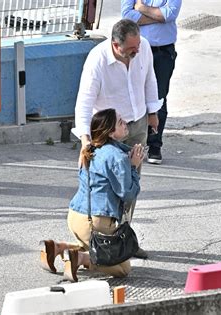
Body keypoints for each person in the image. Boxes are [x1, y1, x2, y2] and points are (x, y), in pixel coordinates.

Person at [72, 19, 159, 258]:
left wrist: (153, 113)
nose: (137, 51)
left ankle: (125, 239)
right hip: (110, 133)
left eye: (138, 46)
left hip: (138, 123)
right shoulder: (97, 60)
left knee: (131, 186)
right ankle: (98, 238)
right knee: (106, 188)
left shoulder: (144, 48)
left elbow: (150, 80)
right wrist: (85, 140)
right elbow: (84, 101)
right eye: (131, 49)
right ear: (115, 45)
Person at [40, 108, 144, 282]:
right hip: (95, 221)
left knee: (91, 244)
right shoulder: (117, 157)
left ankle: (57, 247)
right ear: (110, 132)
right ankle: (79, 258)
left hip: (75, 216)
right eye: (120, 122)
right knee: (123, 267)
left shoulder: (90, 148)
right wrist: (133, 166)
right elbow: (127, 194)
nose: (125, 122)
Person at [122, 0, 182, 165]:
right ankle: (131, 142)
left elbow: (170, 14)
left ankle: (155, 144)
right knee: (133, 95)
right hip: (137, 51)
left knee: (159, 97)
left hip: (163, 52)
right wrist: (158, 16)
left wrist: (141, 8)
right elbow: (127, 15)